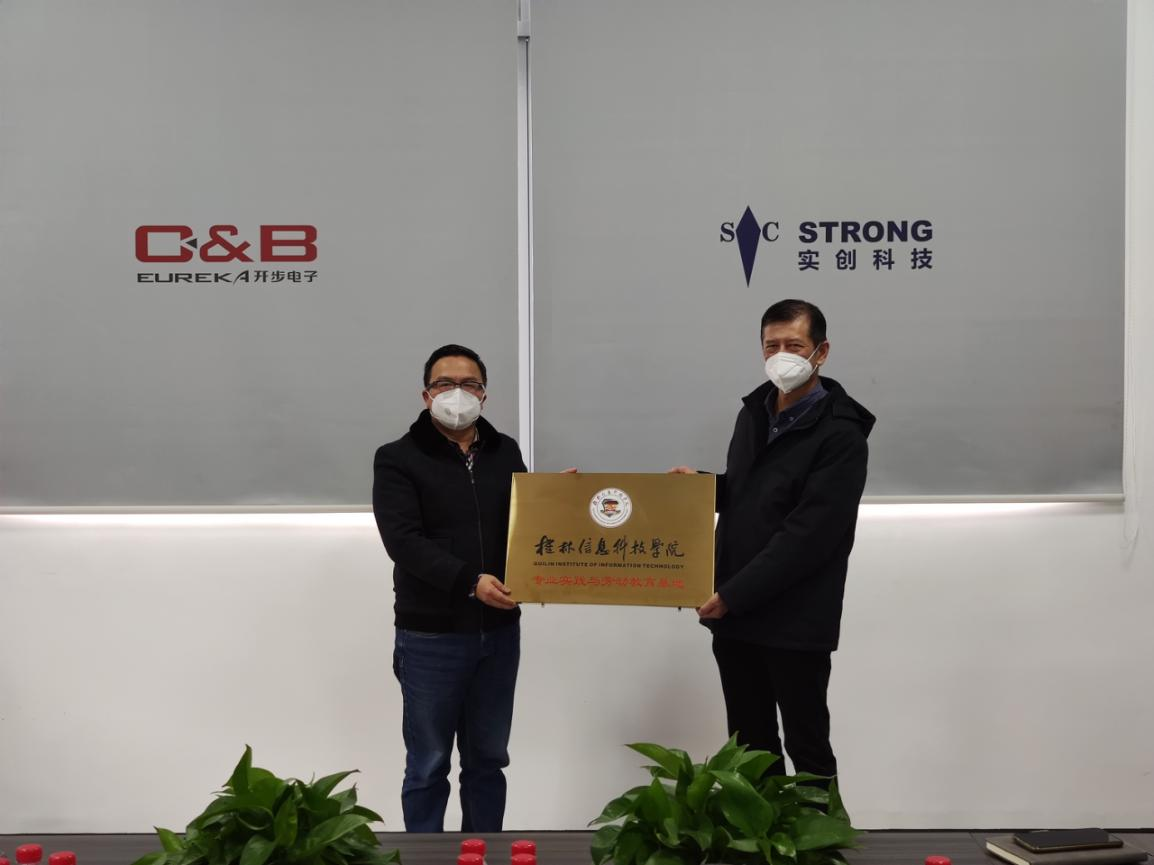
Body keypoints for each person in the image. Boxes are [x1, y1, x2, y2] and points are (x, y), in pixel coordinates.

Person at [671, 299, 874, 781]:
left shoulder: (841, 433)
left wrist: (733, 593)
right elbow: (751, 493)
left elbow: (810, 534)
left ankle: (818, 831)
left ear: (821, 352)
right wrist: (702, 489)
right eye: (771, 345)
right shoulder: (755, 411)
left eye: (794, 346)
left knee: (807, 745)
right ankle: (761, 830)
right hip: (736, 615)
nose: (781, 355)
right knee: (749, 744)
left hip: (794, 618)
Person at [372, 343, 525, 833]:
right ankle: (426, 858)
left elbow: (527, 523)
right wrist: (469, 583)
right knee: (428, 763)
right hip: (430, 637)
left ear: (484, 394)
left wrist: (562, 503)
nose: (457, 393)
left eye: (469, 384)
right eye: (445, 384)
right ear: (426, 395)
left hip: (498, 633)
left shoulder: (505, 452)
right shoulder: (397, 459)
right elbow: (404, 542)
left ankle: (483, 854)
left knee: (488, 760)